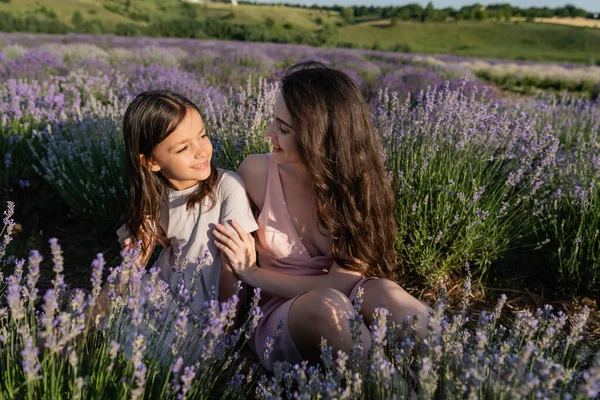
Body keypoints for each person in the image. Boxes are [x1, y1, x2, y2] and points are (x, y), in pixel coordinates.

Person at [213, 61, 430, 372]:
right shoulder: (257, 173)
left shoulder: (358, 184)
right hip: (283, 314)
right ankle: (390, 389)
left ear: (321, 138)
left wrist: (254, 274)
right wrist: (227, 336)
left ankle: (473, 373)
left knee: (386, 293)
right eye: (274, 120)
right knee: (325, 305)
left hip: (342, 298)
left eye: (283, 128)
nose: (268, 132)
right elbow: (229, 260)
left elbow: (343, 284)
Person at [93, 89, 258, 362]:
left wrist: (224, 332)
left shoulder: (228, 188)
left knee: (162, 351)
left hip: (207, 314)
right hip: (166, 297)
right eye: (184, 148)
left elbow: (233, 273)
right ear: (152, 162)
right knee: (111, 305)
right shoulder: (157, 198)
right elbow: (133, 268)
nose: (201, 150)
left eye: (203, 135)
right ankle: (82, 330)